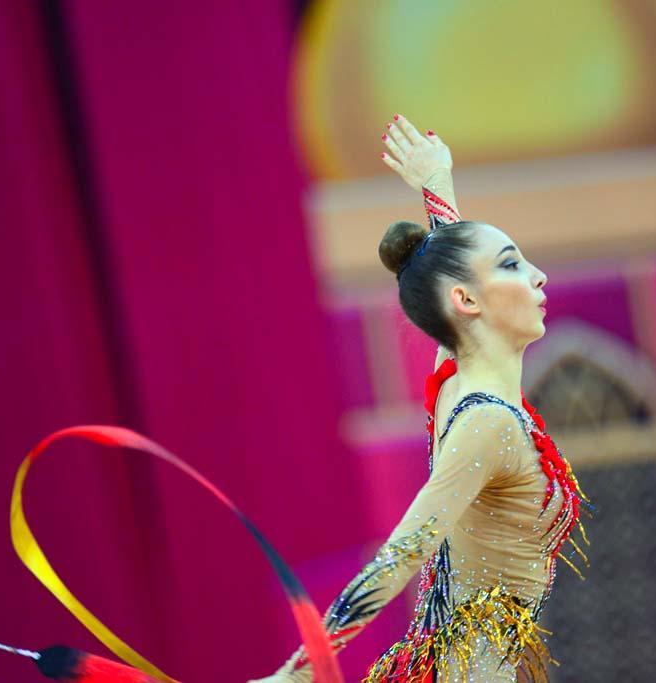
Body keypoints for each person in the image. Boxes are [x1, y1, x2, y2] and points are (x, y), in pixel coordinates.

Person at [249, 115, 591, 683]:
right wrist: (298, 672)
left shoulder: (457, 381)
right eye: (511, 264)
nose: (539, 276)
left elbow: (450, 286)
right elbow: (399, 556)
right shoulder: (487, 421)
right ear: (467, 300)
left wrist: (437, 184)